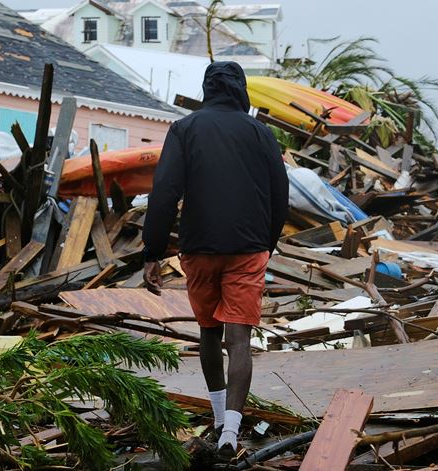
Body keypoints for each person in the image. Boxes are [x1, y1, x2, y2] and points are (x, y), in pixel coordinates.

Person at [141, 61, 289, 459]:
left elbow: (164, 192)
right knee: (239, 339)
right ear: (241, 89)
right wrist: (266, 244)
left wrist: (152, 251)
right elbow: (280, 194)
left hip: (200, 248)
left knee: (209, 331)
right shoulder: (261, 132)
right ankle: (232, 434)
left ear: (207, 88)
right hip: (248, 248)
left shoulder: (185, 129)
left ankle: (221, 418)